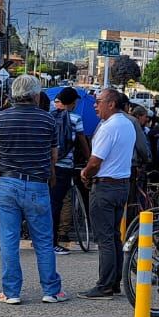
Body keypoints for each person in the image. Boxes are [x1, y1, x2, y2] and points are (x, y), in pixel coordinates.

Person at [0, 75, 66, 304]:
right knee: (43, 240)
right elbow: (54, 156)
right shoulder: (48, 120)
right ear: (36, 95)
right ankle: (51, 290)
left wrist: (6, 158)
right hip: (37, 185)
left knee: (9, 239)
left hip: (8, 182)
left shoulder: (0, 119)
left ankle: (11, 292)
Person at [79, 88, 136, 299]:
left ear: (111, 104)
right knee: (114, 237)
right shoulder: (128, 123)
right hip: (122, 185)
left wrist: (85, 173)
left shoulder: (108, 127)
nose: (95, 105)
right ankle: (114, 282)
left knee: (104, 238)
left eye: (99, 101)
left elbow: (95, 161)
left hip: (105, 186)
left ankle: (104, 285)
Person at [50, 86, 88, 253]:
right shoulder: (76, 119)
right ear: (73, 102)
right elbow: (81, 141)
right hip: (65, 166)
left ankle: (42, 239)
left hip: (49, 165)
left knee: (50, 203)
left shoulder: (50, 116)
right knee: (58, 204)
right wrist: (88, 158)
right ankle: (53, 242)